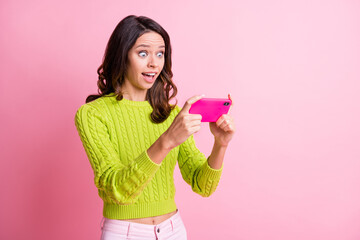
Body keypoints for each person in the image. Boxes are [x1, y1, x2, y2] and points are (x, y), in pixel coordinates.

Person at [74, 15, 235, 240]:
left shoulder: (170, 115)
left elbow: (202, 185)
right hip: (125, 233)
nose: (154, 63)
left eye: (160, 53)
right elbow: (116, 190)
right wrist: (166, 141)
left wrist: (220, 144)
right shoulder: (93, 114)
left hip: (173, 230)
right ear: (122, 56)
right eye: (143, 53)